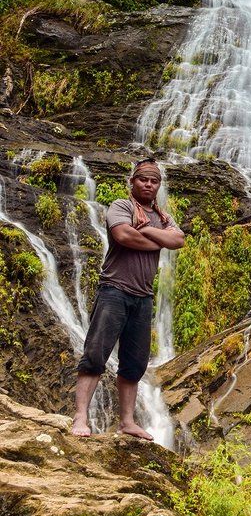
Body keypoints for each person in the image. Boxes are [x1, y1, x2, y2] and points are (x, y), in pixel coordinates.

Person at [71, 158, 184, 439]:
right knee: (95, 354)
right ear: (132, 182)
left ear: (158, 185)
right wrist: (158, 240)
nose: (148, 184)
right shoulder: (120, 206)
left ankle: (127, 422)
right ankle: (80, 416)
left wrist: (146, 230)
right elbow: (123, 236)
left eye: (154, 180)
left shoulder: (163, 216)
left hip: (143, 297)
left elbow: (179, 241)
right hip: (114, 290)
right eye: (143, 179)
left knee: (135, 362)